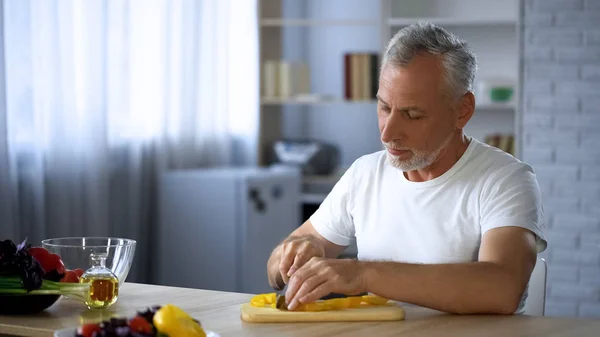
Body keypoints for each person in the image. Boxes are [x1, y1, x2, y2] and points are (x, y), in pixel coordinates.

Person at [266, 22, 547, 315]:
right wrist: (293, 254)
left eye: (412, 115)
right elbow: (277, 264)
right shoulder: (365, 174)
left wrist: (362, 274)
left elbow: (502, 289)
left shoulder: (506, 179)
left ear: (462, 111)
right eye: (384, 108)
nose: (387, 134)